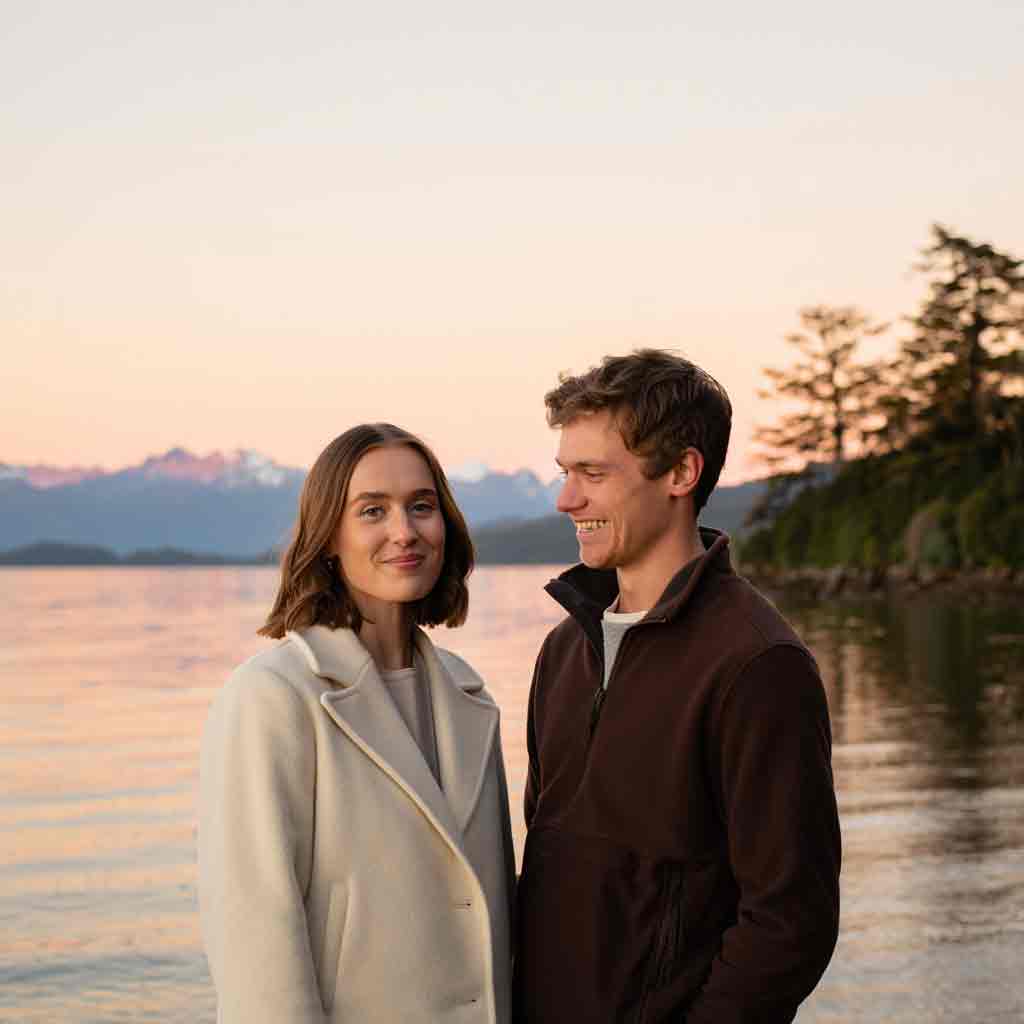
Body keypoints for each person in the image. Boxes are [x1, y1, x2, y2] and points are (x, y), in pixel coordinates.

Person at [513, 350, 841, 1024]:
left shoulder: (757, 663)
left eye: (594, 474)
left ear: (682, 473)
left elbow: (790, 922)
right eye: (566, 472)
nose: (566, 499)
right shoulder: (562, 652)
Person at [198, 423, 515, 1024]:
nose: (405, 532)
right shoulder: (272, 697)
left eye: (422, 506)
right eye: (373, 510)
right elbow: (254, 939)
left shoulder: (469, 693)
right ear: (328, 538)